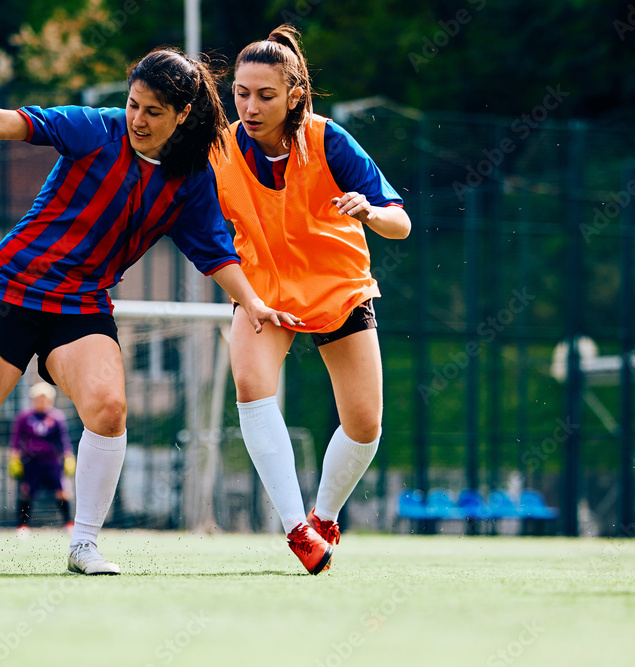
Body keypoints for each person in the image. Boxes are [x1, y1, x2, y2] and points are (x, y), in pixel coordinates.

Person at [0, 47, 300, 575]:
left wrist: (252, 302)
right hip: (9, 291)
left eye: (154, 111)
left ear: (182, 115)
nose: (138, 119)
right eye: (134, 104)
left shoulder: (190, 179)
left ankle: (85, 543)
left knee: (109, 407)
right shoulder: (95, 128)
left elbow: (215, 252)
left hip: (80, 305)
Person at [210, 25, 412, 574]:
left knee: (365, 425)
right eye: (241, 94)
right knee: (252, 388)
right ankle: (297, 529)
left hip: (339, 289)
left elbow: (401, 222)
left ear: (294, 95)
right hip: (263, 292)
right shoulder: (220, 147)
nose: (250, 107)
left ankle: (324, 516)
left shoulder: (329, 140)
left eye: (266, 95)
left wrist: (369, 211)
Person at [9, 382, 76, 536]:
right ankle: (22, 526)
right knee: (26, 492)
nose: (42, 401)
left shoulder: (57, 418)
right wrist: (14, 457)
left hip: (52, 462)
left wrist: (68, 456)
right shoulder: (24, 417)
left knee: (62, 492)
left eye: (45, 398)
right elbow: (16, 440)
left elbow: (63, 440)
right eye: (39, 398)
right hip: (30, 462)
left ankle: (69, 524)